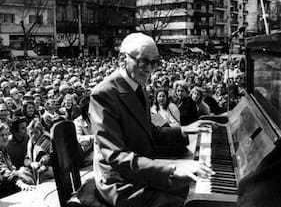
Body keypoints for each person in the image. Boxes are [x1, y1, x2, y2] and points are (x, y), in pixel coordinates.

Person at [89, 33, 214, 207]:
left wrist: (185, 130)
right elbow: (116, 156)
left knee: (197, 187)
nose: (149, 68)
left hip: (139, 170)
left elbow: (150, 132)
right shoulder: (103, 94)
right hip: (119, 182)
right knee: (188, 201)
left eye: (154, 62)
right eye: (143, 61)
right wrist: (173, 168)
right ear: (122, 59)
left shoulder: (138, 86)